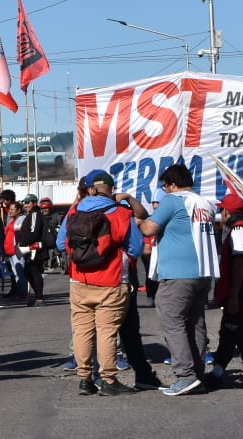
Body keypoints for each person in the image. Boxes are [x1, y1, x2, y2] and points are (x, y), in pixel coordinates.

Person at [59, 170, 146, 396]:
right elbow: (136, 248)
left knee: (82, 331)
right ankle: (108, 379)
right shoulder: (120, 213)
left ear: (90, 189)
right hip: (111, 280)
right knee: (106, 332)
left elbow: (62, 244)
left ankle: (85, 379)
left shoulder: (74, 211)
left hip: (78, 280)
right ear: (111, 188)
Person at [139, 163, 219, 397]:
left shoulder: (174, 200)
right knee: (195, 323)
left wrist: (139, 221)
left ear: (172, 184)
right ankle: (197, 374)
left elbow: (149, 228)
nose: (164, 191)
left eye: (165, 187)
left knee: (172, 321)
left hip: (178, 273)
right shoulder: (205, 202)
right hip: (203, 271)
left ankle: (185, 375)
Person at [210, 194, 243, 387]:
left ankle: (218, 373)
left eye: (221, 210)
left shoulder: (238, 230)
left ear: (226, 211)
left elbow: (239, 261)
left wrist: (233, 296)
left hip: (240, 290)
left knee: (231, 331)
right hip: (242, 289)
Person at [13, 194, 48, 304]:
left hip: (35, 248)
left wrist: (22, 243)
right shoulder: (32, 214)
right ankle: (38, 295)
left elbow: (33, 233)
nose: (26, 205)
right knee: (28, 272)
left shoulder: (35, 214)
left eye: (28, 203)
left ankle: (39, 297)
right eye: (25, 203)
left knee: (34, 272)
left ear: (34, 203)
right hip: (31, 248)